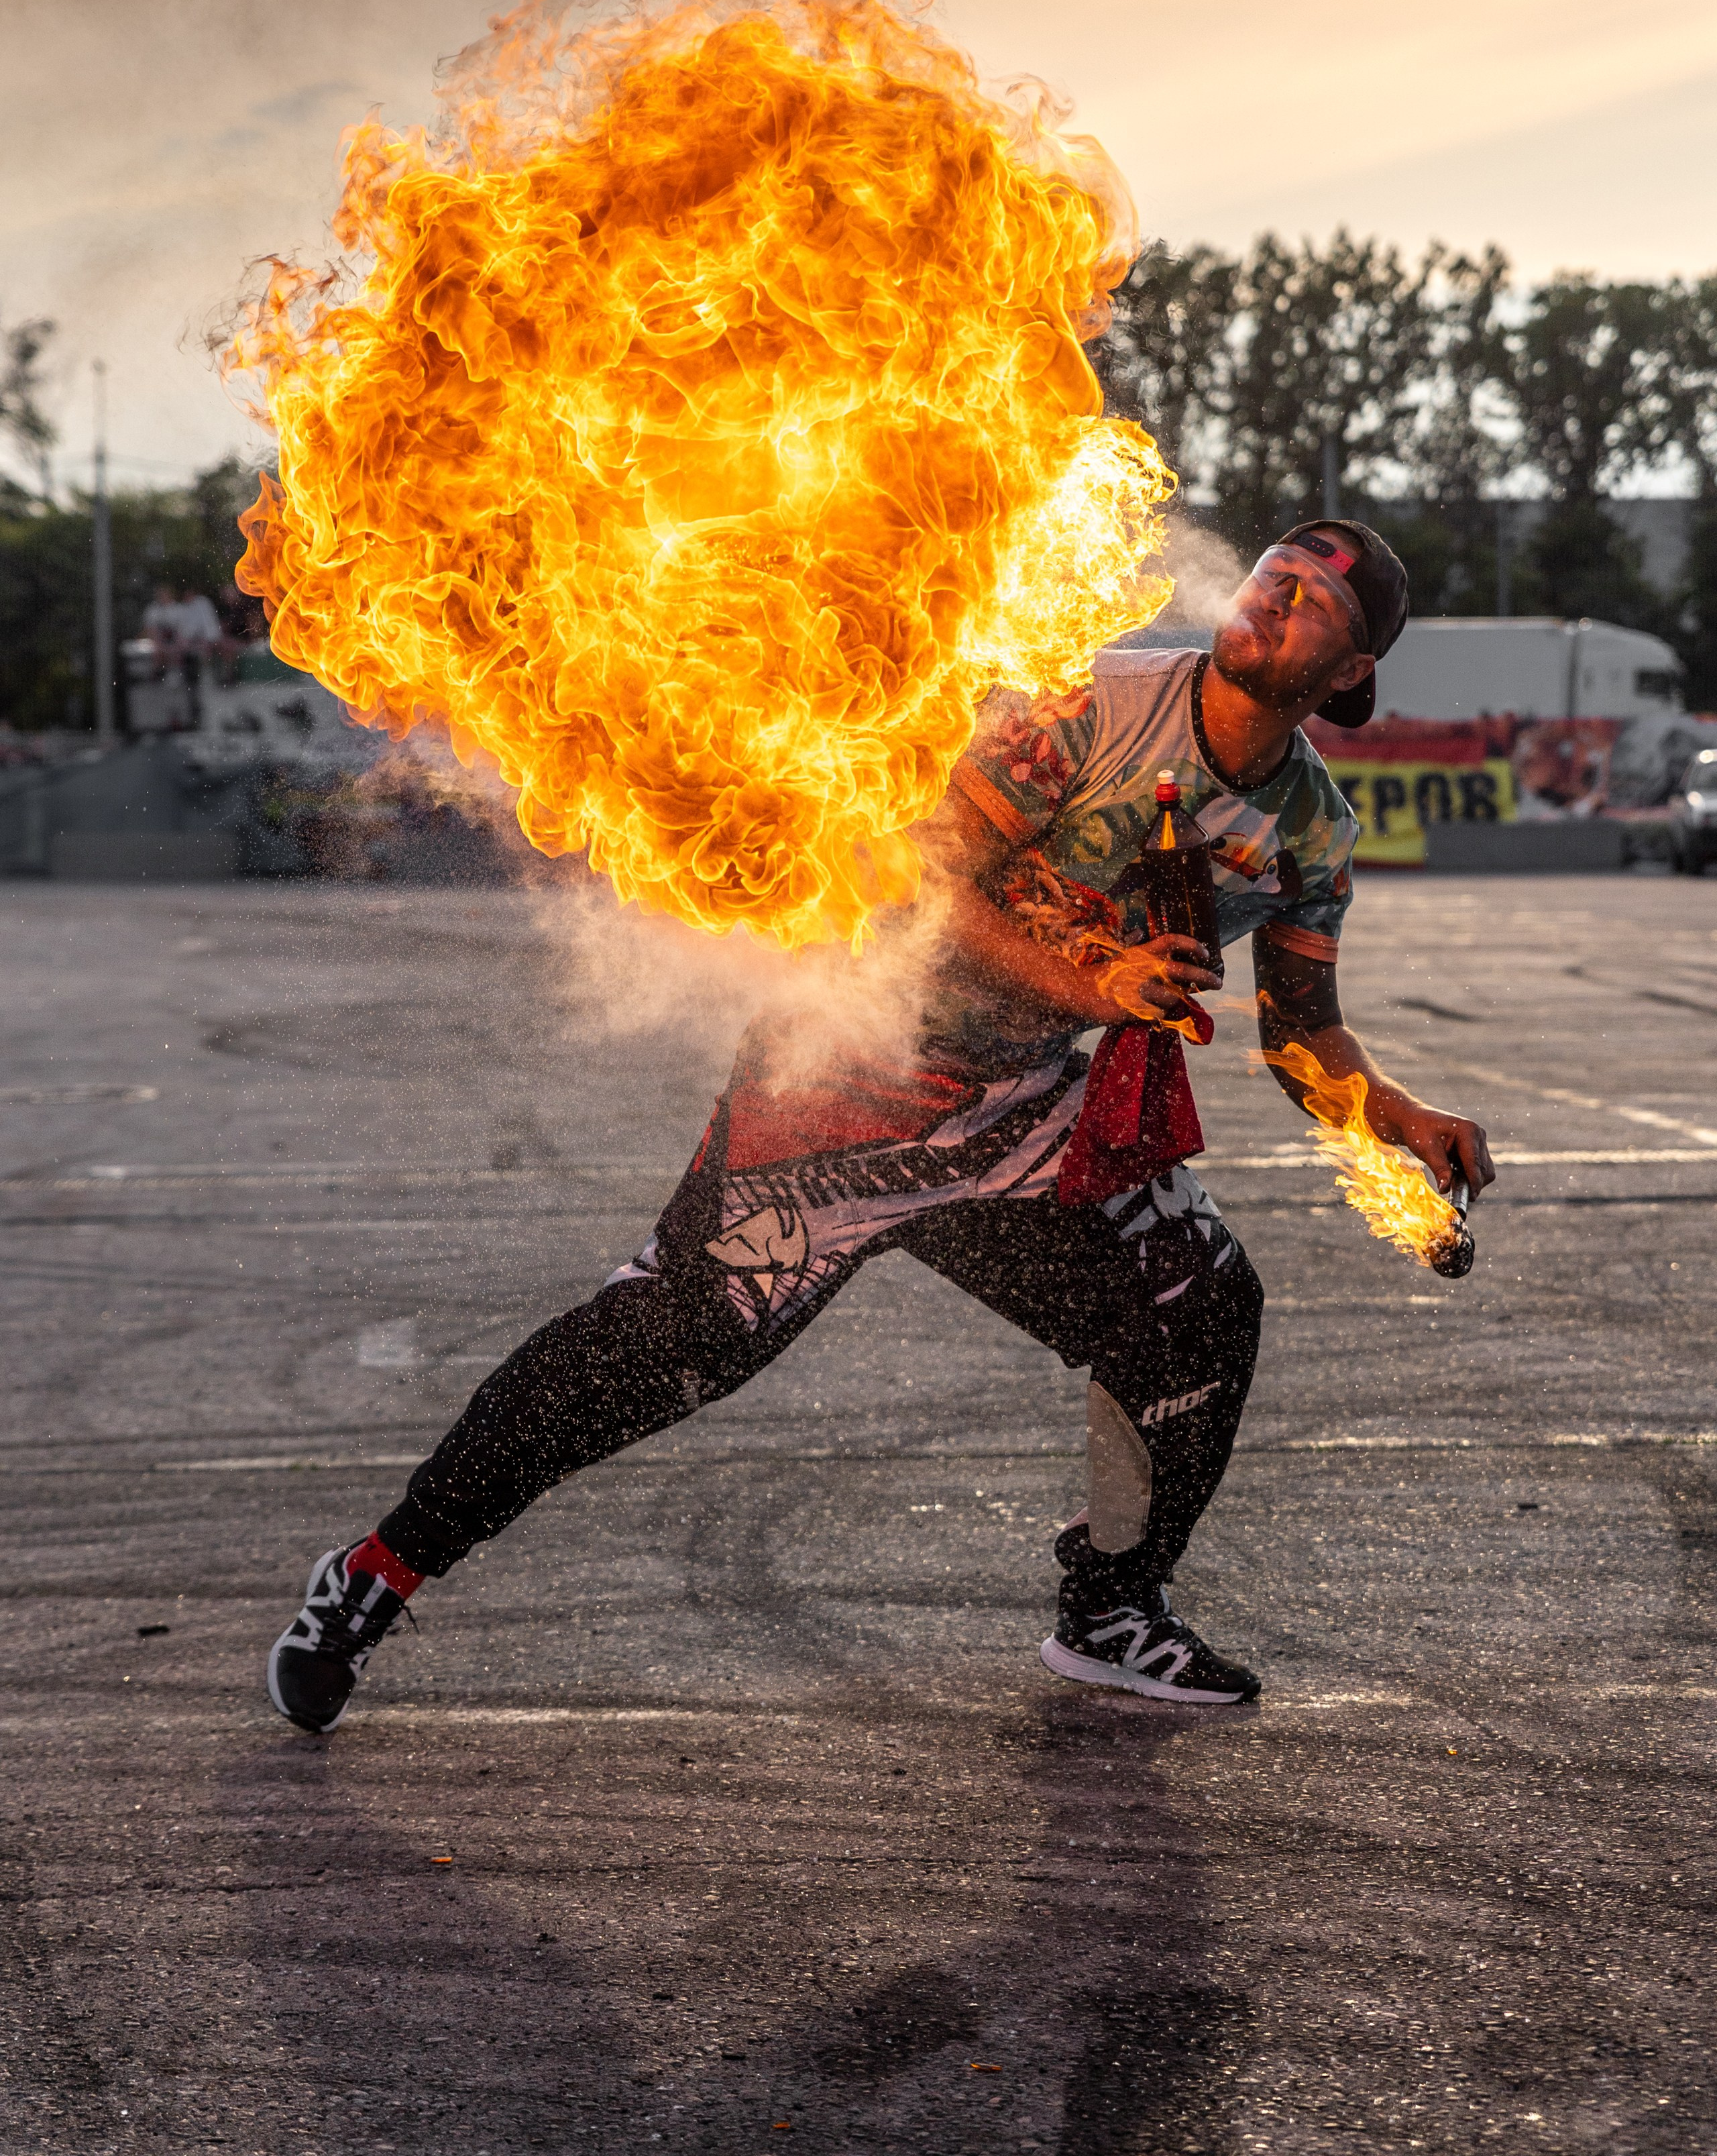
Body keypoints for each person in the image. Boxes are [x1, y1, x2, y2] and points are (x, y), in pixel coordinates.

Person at [267, 520, 1494, 1733]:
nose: (1275, 598)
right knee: (662, 1354)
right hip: (844, 1078)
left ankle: (1113, 1610)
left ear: (1349, 676)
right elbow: (913, 882)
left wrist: (1398, 1115)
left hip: (1012, 1115)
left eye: (1313, 608)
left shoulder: (1314, 832)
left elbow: (1303, 1035)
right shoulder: (1091, 704)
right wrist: (1091, 986)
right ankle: (375, 1577)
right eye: (1274, 573)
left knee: (1200, 1306)